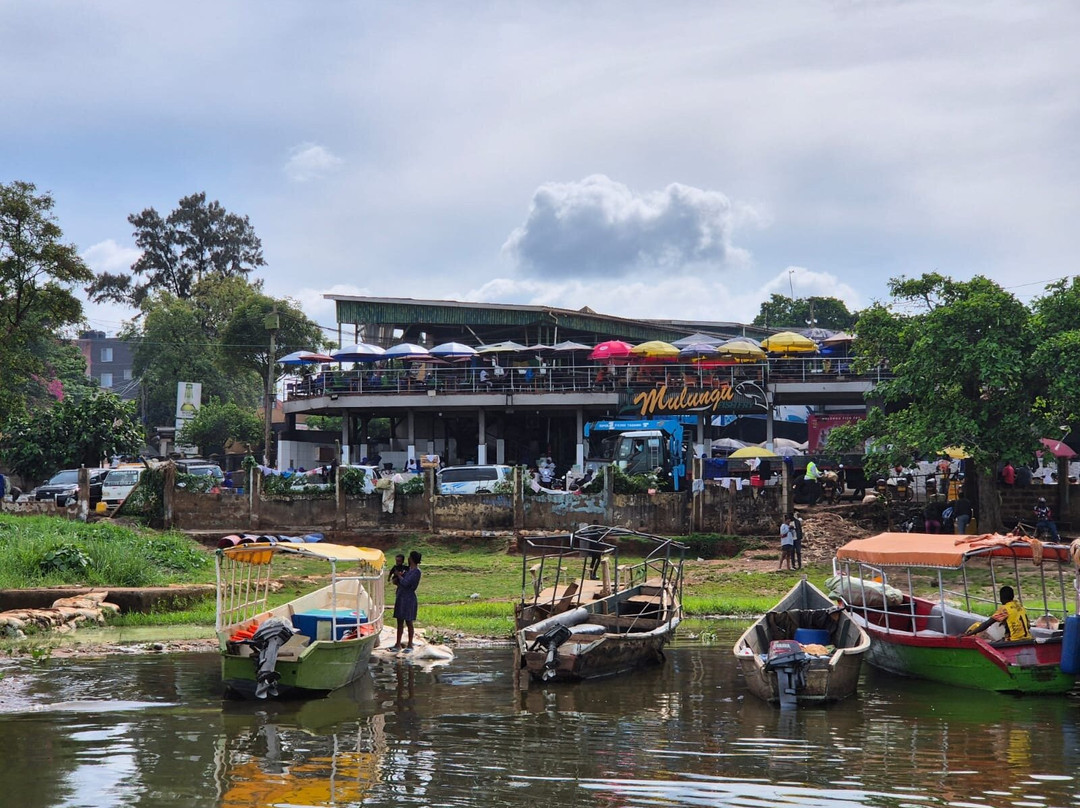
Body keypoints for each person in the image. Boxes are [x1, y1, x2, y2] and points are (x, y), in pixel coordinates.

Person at [965, 585, 1031, 641]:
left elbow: (987, 624)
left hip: (1013, 640)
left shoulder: (1005, 609)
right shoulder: (1020, 606)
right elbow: (1028, 625)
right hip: (1027, 638)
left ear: (1001, 598)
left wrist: (968, 634)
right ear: (1013, 596)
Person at [390, 550, 422, 652]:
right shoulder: (407, 570)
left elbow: (407, 584)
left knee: (409, 621)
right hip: (401, 596)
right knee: (399, 621)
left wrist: (399, 576)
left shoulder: (416, 572)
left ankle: (410, 644)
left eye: (409, 557)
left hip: (408, 598)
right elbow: (400, 582)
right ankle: (397, 644)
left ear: (412, 559)